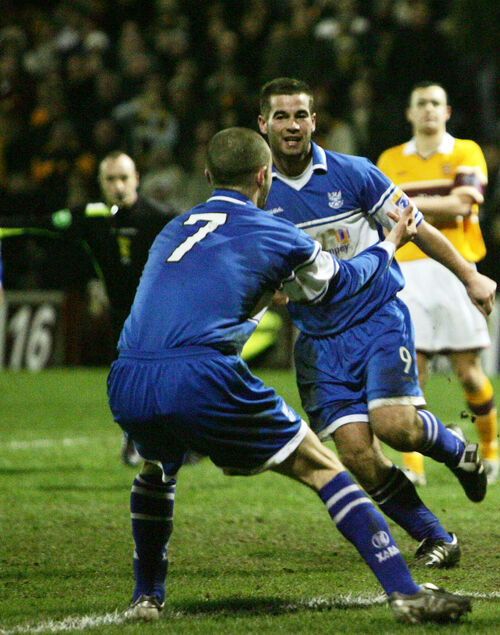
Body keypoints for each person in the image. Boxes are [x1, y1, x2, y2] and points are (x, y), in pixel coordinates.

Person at [107, 127, 471, 625]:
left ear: (209, 176)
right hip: (202, 373)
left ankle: (146, 598)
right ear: (264, 175)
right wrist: (389, 243)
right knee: (325, 468)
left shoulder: (172, 229)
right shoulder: (273, 231)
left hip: (126, 375)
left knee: (155, 469)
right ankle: (406, 593)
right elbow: (342, 283)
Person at [258, 78, 497, 570]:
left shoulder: (353, 173)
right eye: (281, 116)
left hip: (376, 319)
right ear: (263, 125)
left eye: (300, 115)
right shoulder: (257, 195)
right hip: (317, 339)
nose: (292, 126)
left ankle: (458, 450)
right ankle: (435, 536)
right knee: (355, 453)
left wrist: (470, 276)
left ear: (314, 122)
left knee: (395, 428)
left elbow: (418, 226)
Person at [0, 152, 177, 465]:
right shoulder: (91, 216)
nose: (119, 186)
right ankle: (139, 439)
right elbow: (39, 226)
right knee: (133, 378)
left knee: (157, 377)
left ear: (137, 179)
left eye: (124, 178)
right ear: (101, 184)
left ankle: (162, 438)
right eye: (111, 179)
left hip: (165, 312)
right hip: (122, 313)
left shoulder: (159, 216)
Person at [376, 81, 500, 486]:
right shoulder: (389, 159)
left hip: (455, 269)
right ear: (409, 114)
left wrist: (404, 204)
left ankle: (490, 449)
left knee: (469, 373)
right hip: (406, 272)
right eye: (421, 104)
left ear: (447, 112)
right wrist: (429, 203)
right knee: (415, 373)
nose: (428, 109)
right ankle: (413, 467)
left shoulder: (465, 151)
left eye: (436, 103)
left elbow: (462, 203)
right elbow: (382, 216)